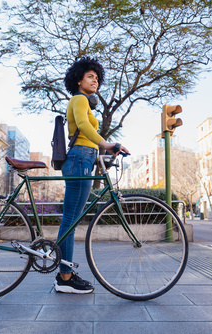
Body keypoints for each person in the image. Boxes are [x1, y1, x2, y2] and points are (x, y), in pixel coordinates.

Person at [54, 57, 129, 294]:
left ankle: (64, 273)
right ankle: (64, 277)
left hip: (84, 157)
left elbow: (88, 133)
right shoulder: (78, 99)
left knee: (72, 219)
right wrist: (105, 144)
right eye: (90, 76)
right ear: (78, 80)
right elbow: (85, 127)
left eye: (97, 77)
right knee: (70, 220)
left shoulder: (85, 101)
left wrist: (101, 153)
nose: (95, 80)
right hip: (79, 158)